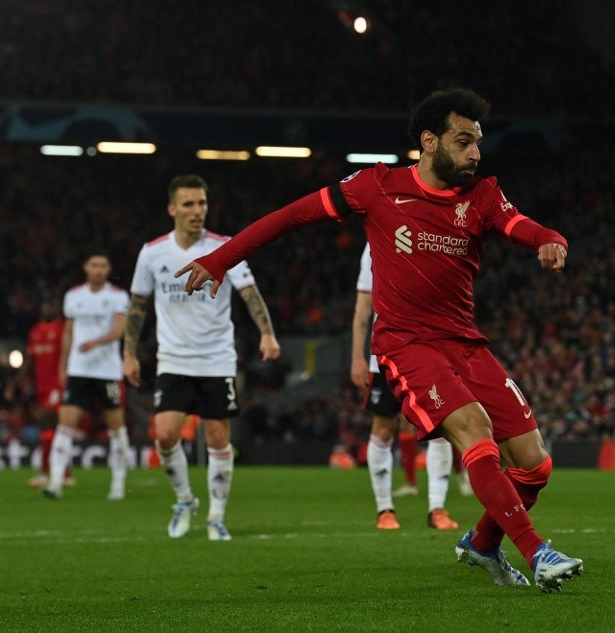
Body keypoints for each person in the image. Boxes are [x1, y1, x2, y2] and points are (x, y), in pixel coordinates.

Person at [177, 88, 583, 591]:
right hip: (407, 344)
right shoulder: (377, 186)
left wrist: (549, 237)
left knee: (535, 464)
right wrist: (220, 259)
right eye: (464, 141)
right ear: (429, 141)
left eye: (478, 142)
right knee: (474, 431)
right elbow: (292, 216)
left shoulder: (481, 194)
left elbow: (520, 224)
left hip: (466, 344)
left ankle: (481, 544)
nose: (476, 153)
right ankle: (537, 552)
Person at [123, 174, 281, 541]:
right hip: (173, 359)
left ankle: (216, 517)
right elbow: (137, 307)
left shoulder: (225, 247)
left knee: (217, 437)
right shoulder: (153, 252)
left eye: (202, 203)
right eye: (189, 204)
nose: (197, 211)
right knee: (164, 435)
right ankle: (184, 500)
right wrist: (129, 354)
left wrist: (267, 333)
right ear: (172, 208)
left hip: (216, 358)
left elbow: (250, 293)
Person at [351, 243, 462, 531]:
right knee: (384, 428)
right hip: (386, 352)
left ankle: (437, 508)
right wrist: (356, 356)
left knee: (440, 428)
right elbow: (364, 302)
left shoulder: (434, 233)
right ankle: (384, 509)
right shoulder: (375, 242)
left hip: (431, 350)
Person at [42, 251, 131, 500]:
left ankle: (118, 483)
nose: (98, 269)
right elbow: (68, 333)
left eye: (103, 265)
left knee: (116, 426)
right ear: (86, 267)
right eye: (94, 265)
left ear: (108, 268)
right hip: (79, 369)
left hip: (107, 371)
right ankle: (55, 481)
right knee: (66, 423)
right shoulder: (73, 296)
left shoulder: (117, 296)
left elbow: (119, 329)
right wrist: (63, 365)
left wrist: (96, 342)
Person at [3, 299, 71, 489]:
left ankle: (45, 473)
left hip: (58, 385)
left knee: (47, 423)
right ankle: (64, 473)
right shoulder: (35, 331)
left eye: (52, 305)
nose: (48, 308)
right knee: (51, 429)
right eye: (46, 305)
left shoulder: (63, 329)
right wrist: (14, 384)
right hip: (42, 387)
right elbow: (29, 360)